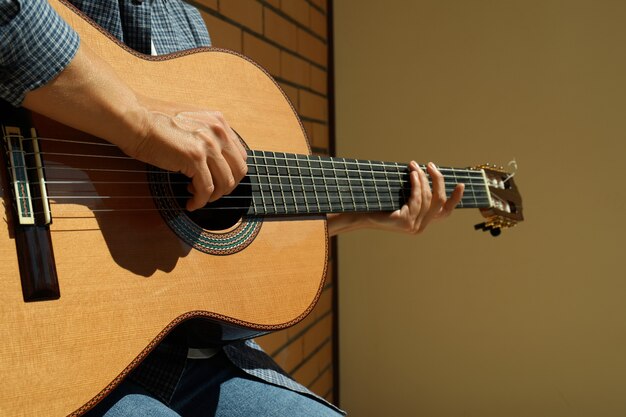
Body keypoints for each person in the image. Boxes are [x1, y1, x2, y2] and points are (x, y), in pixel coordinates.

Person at [0, 1, 464, 416]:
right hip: (57, 357)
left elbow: (209, 229)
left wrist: (363, 215)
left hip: (192, 360)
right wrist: (138, 123)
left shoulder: (185, 21)